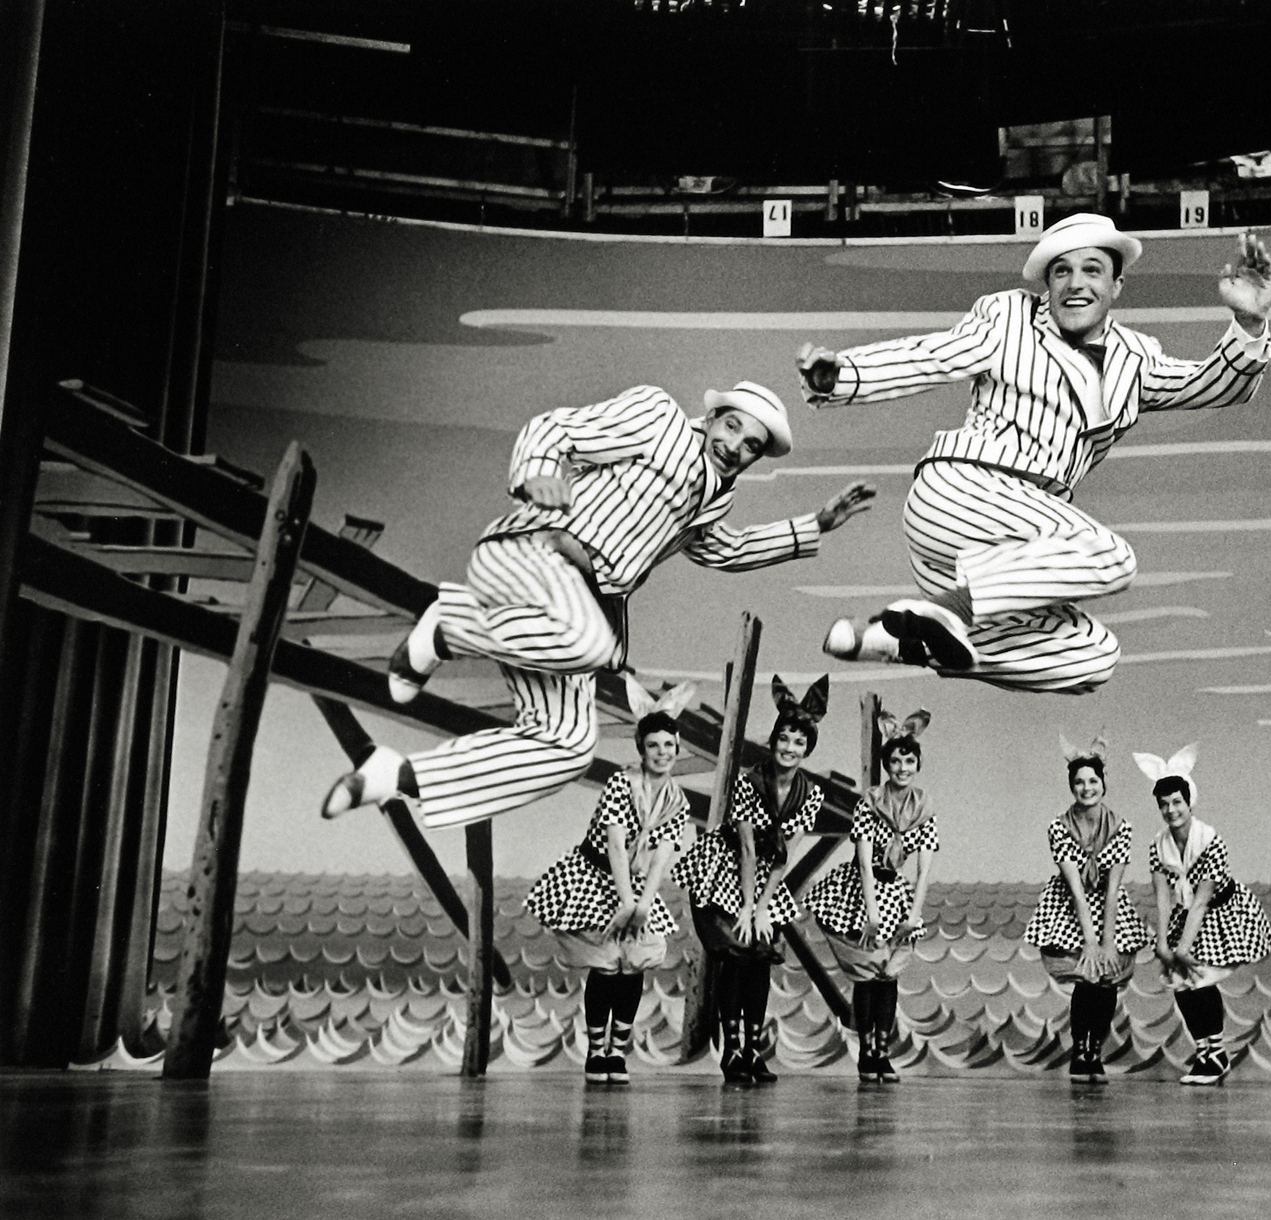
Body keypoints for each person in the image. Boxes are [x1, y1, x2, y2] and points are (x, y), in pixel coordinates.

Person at [321, 382, 875, 829]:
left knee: (568, 746)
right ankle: (450, 625)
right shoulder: (657, 418)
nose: (734, 446)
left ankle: (395, 774)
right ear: (712, 417)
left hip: (579, 606)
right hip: (539, 551)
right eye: (732, 426)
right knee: (590, 643)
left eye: (750, 445)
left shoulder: (714, 497)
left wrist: (814, 526)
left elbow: (726, 550)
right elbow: (556, 430)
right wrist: (538, 473)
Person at [796, 215, 1271, 695]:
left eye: (1092, 270)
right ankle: (948, 611)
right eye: (1061, 271)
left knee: (1094, 657)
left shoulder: (1137, 357)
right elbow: (934, 356)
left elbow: (1210, 385)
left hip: (1016, 554)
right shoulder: (1009, 318)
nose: (1076, 283)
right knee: (1111, 558)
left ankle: (898, 640)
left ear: (1117, 285)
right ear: (1048, 284)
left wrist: (1249, 322)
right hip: (964, 490)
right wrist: (842, 374)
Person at [523, 676, 697, 1083]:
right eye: (653, 745)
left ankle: (617, 1051)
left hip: (637, 885)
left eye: (669, 746)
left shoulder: (676, 799)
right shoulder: (622, 783)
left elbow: (662, 856)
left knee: (633, 966)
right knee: (605, 966)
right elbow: (616, 846)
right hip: (598, 876)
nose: (662, 753)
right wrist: (624, 901)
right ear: (641, 748)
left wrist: (643, 904)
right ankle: (595, 1051)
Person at [673, 675, 830, 1085]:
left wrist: (762, 910)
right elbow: (746, 848)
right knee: (737, 954)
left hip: (767, 877)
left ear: (807, 749)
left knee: (760, 958)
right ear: (773, 741)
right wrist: (746, 908)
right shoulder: (750, 781)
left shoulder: (809, 793)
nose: (789, 748)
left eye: (799, 742)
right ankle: (731, 1052)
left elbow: (784, 854)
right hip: (727, 866)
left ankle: (753, 1050)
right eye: (784, 739)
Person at [805, 708, 938, 1084]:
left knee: (889, 975)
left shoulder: (923, 807)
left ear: (917, 763)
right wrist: (873, 914)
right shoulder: (870, 803)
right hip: (861, 892)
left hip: (896, 890)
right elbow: (864, 863)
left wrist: (913, 914)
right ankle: (866, 1052)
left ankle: (883, 1051)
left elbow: (924, 868)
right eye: (895, 760)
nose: (901, 767)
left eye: (908, 760)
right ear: (887, 764)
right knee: (866, 974)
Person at [1134, 743, 1271, 1086]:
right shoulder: (1158, 845)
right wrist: (1164, 943)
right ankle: (1205, 1053)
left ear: (1189, 801)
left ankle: (1216, 1053)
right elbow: (1163, 896)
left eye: (1176, 802)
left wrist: (1183, 947)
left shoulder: (1211, 840)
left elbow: (1201, 900)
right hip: (1184, 914)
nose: (1171, 811)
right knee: (1181, 985)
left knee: (1199, 977)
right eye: (1164, 805)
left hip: (1219, 912)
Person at [1023, 733, 1152, 1082]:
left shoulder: (1121, 826)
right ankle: (1080, 1050)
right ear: (1071, 787)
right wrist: (1090, 941)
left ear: (1103, 784)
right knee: (1086, 976)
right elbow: (1078, 891)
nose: (1086, 788)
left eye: (1092, 781)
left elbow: (1111, 890)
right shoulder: (1059, 826)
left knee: (1107, 978)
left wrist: (1108, 941)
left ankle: (1097, 1049)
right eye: (1079, 782)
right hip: (1070, 905)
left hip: (1108, 906)